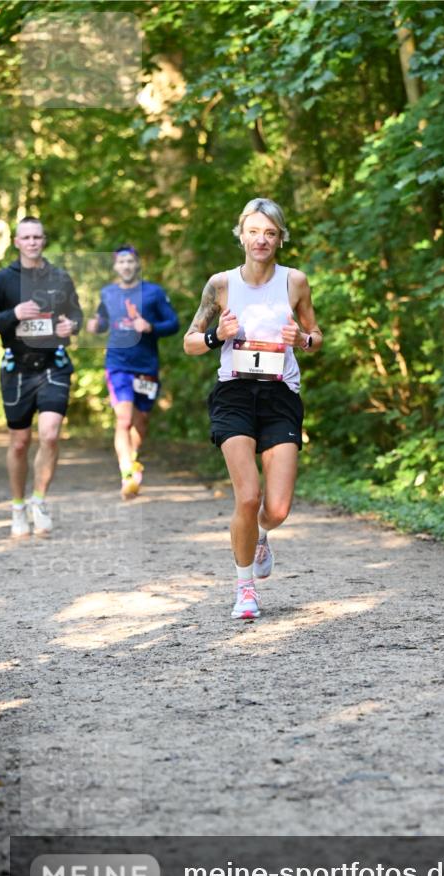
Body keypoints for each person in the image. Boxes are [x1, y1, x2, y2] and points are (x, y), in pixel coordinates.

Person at [184, 197, 323, 620]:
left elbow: (316, 336)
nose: (261, 240)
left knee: (276, 509)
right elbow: (190, 341)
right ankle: (245, 589)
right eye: (254, 231)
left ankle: (263, 534)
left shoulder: (295, 281)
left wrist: (302, 339)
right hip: (235, 394)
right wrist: (216, 337)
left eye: (270, 232)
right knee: (248, 496)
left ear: (281, 238)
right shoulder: (221, 284)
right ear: (241, 235)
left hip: (281, 395)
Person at [0, 216, 82, 538]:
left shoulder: (59, 276)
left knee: (51, 434)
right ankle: (17, 505)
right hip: (17, 368)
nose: (32, 242)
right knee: (19, 443)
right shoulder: (2, 280)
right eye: (26, 237)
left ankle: (38, 500)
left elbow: (76, 313)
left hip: (54, 364)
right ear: (17, 242)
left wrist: (71, 326)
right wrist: (13, 315)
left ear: (44, 240)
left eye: (37, 237)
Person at [87, 246, 179, 498]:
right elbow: (101, 321)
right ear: (115, 266)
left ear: (137, 264)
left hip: (146, 366)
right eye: (121, 262)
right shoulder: (107, 293)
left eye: (130, 262)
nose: (126, 266)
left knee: (141, 422)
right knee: (123, 419)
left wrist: (150, 326)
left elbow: (174, 323)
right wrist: (94, 325)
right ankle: (127, 473)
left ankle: (133, 459)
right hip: (117, 363)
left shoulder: (154, 293)